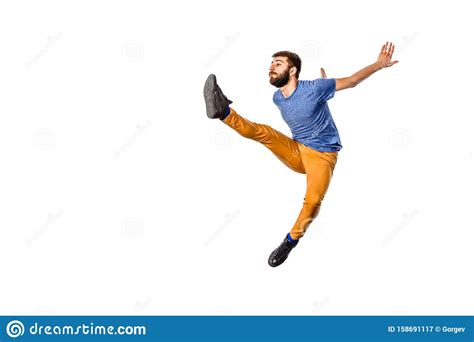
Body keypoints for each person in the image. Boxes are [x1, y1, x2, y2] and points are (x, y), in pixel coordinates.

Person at [203, 42, 398, 267]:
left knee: (313, 201)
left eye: (278, 64)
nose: (271, 68)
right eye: (271, 64)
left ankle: (290, 241)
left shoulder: (314, 88)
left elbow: (353, 81)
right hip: (297, 151)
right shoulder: (278, 98)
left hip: (322, 156)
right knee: (263, 132)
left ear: (292, 70)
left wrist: (378, 64)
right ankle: (223, 111)